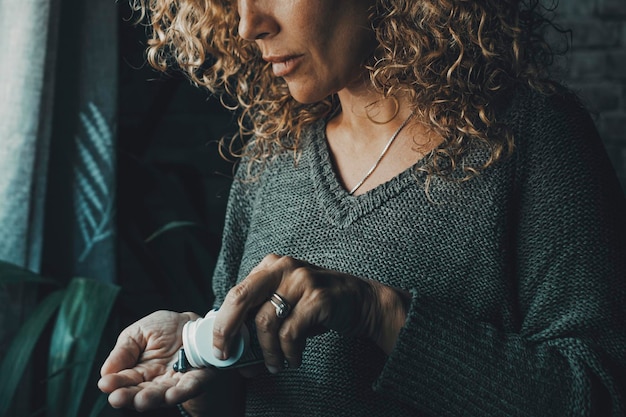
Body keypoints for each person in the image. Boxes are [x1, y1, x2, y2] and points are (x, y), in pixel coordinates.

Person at [98, 0, 626, 416]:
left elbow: (598, 396)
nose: (247, 23)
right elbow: (252, 393)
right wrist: (204, 367)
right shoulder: (272, 151)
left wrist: (379, 312)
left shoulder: (534, 139)